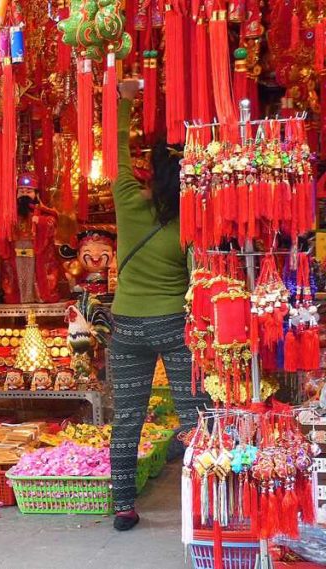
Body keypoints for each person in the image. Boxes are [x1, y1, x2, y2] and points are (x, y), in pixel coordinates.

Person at [109, 80, 211, 531]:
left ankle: (124, 507)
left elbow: (115, 156)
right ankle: (202, 504)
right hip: (173, 323)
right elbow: (195, 281)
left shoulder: (128, 201)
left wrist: (126, 99)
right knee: (194, 415)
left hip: (126, 323)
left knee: (127, 418)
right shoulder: (189, 223)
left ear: (150, 172)